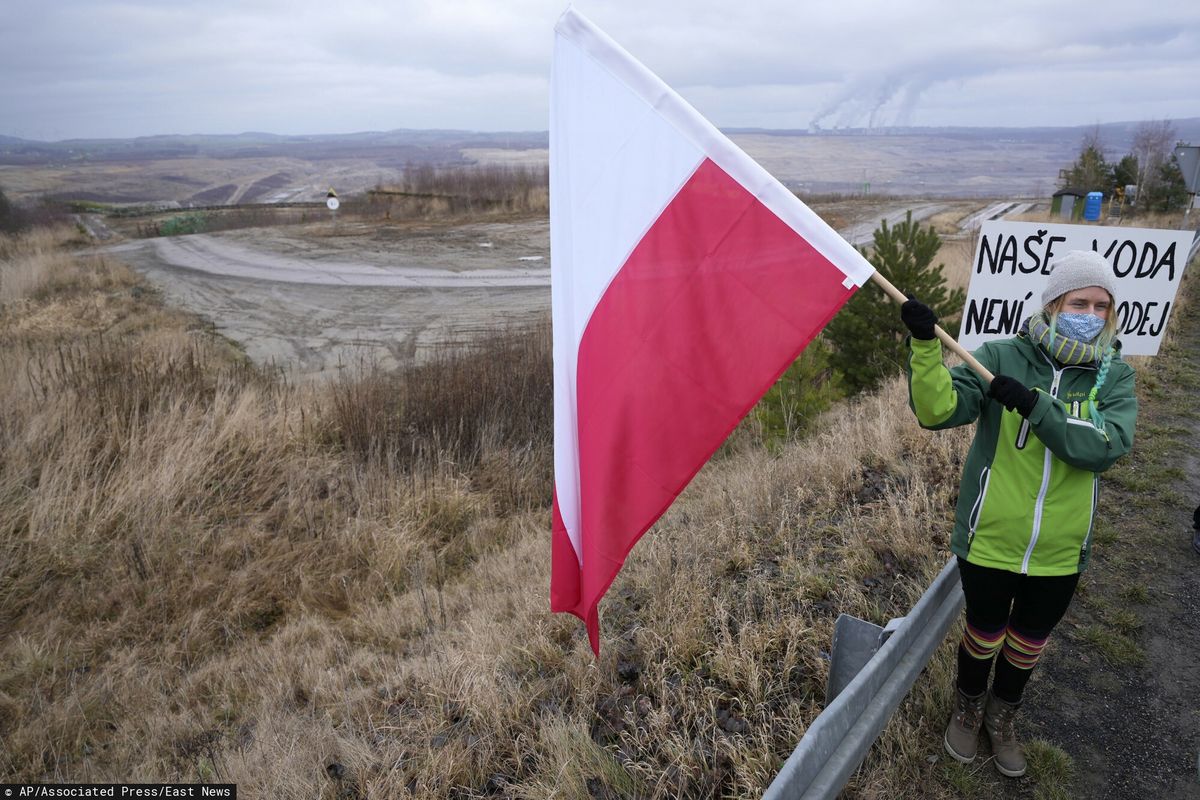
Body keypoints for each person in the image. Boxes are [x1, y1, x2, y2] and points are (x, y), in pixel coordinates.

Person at [900, 250, 1138, 778]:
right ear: (1054, 304)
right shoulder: (1002, 357)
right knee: (983, 631)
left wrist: (1038, 407)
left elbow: (1103, 448)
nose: (1092, 314)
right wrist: (923, 346)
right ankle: (967, 706)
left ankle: (1002, 714)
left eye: (1103, 306)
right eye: (1081, 302)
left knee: (1029, 640)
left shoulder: (1113, 377)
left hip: (1060, 549)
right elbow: (937, 410)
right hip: (989, 537)